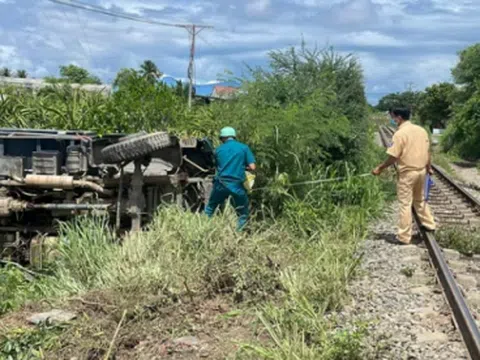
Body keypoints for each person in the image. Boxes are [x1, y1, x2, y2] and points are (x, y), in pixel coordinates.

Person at [372, 108, 436, 245]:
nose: (392, 120)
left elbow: (393, 156)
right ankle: (430, 224)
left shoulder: (400, 134)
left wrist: (380, 168)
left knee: (405, 204)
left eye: (393, 117)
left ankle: (404, 237)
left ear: (399, 117)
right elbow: (427, 152)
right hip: (421, 172)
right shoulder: (421, 130)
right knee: (419, 200)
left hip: (408, 173)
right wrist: (429, 167)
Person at [205, 127, 256, 230]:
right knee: (242, 212)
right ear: (234, 137)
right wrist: (242, 166)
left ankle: (203, 228)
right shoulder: (244, 148)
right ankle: (239, 233)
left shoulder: (218, 150)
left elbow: (216, 166)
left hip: (220, 184)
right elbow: (252, 167)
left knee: (210, 208)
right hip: (236, 185)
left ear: (222, 138)